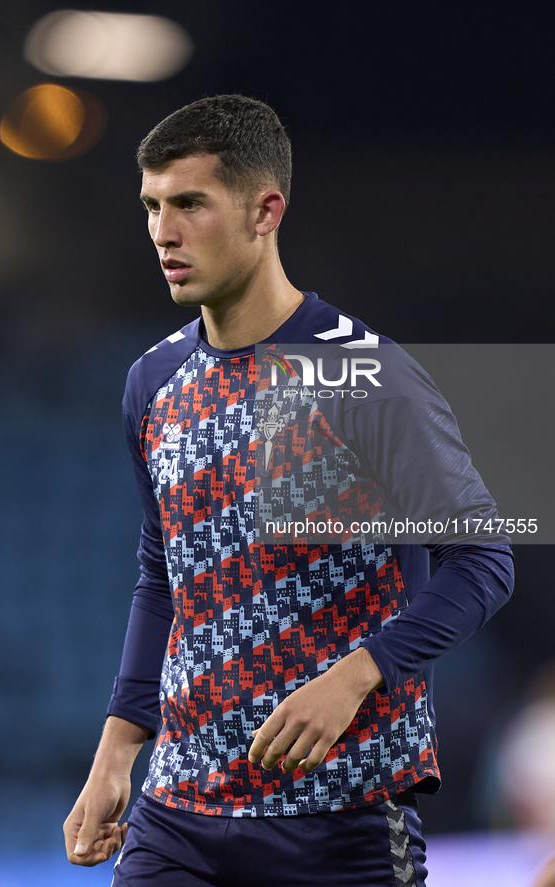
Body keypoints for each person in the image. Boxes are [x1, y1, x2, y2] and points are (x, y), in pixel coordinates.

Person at [63, 94, 514, 886]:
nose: (163, 232)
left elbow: (481, 560)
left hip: (338, 818)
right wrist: (116, 751)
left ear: (265, 210)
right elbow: (164, 575)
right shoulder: (153, 380)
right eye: (152, 206)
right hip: (180, 814)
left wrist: (357, 673)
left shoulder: (363, 377)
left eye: (190, 204)